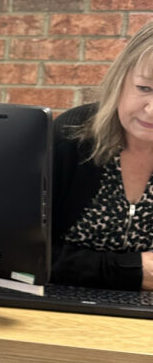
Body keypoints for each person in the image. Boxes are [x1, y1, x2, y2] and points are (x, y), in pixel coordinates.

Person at [52, 21, 153, 290]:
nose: (152, 110)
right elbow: (22, 254)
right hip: (57, 307)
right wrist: (132, 271)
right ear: (119, 81)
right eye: (144, 88)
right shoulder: (71, 135)